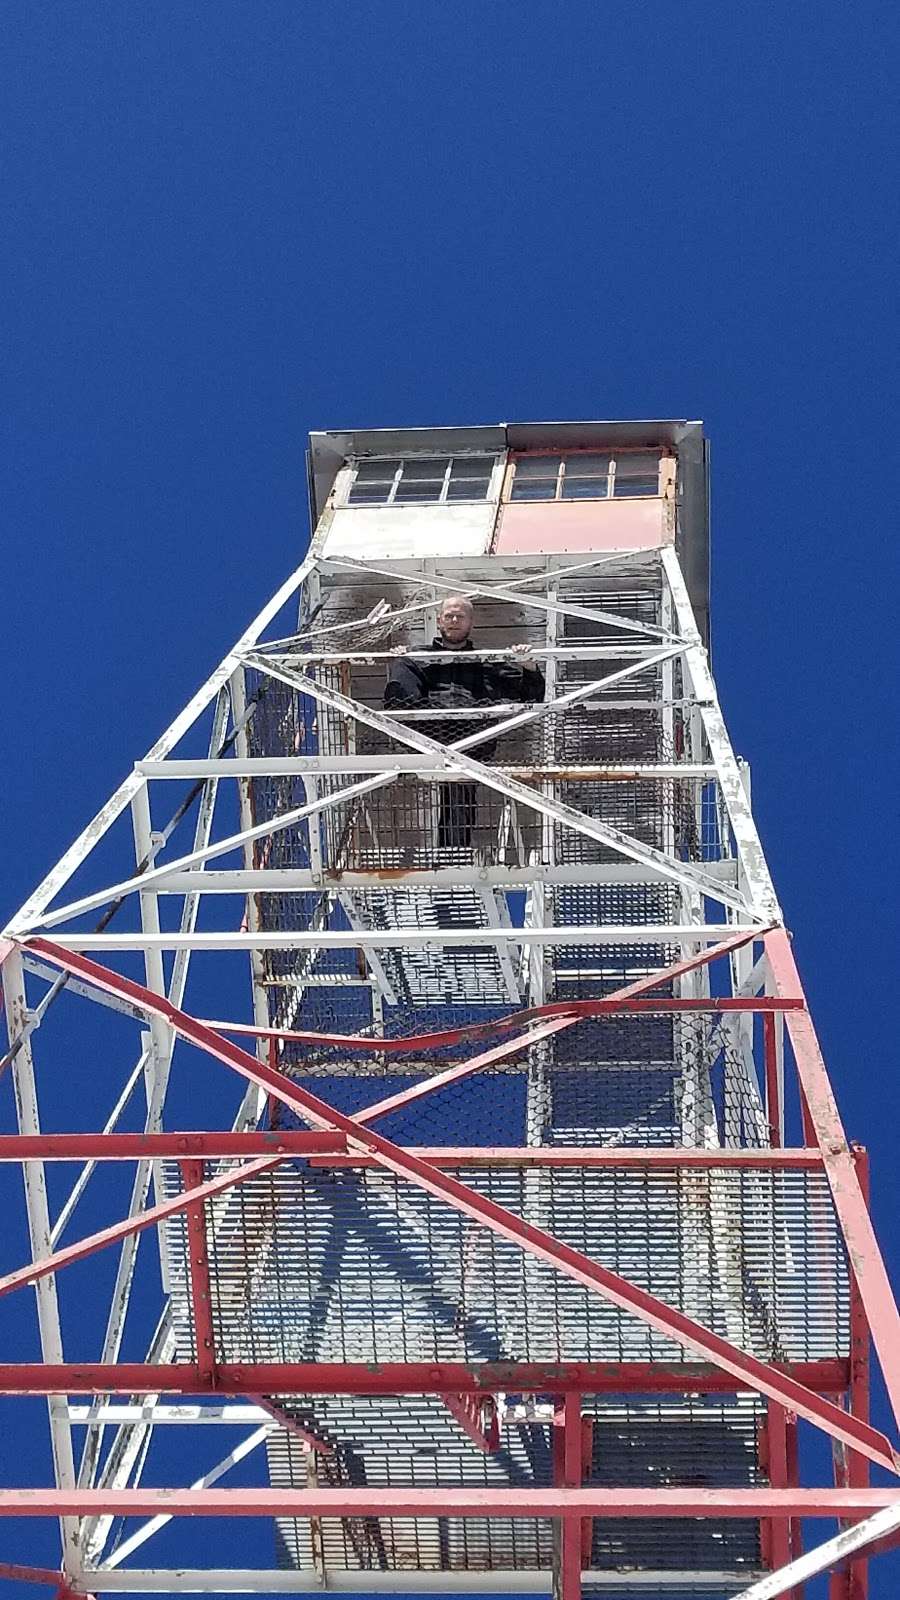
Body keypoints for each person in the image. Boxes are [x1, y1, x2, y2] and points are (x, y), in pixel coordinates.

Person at [384, 595, 544, 848]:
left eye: (460, 616)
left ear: (471, 622)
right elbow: (399, 698)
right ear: (439, 621)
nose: (454, 621)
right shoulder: (417, 658)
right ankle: (452, 854)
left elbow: (531, 697)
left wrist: (529, 668)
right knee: (401, 666)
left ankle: (453, 854)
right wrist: (398, 661)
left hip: (473, 735)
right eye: (449, 616)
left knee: (459, 790)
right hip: (431, 734)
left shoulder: (487, 661)